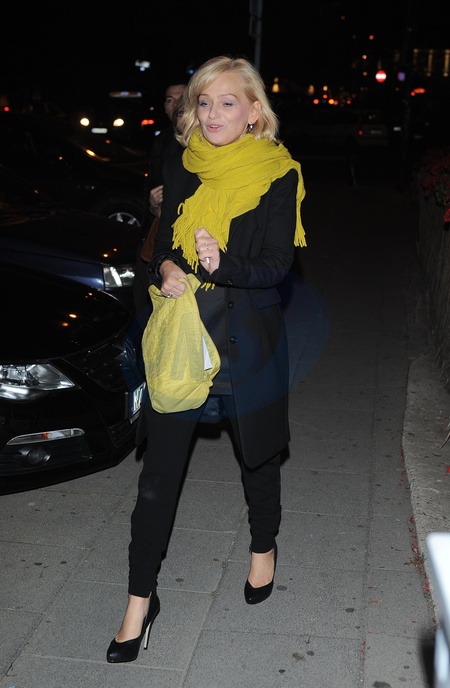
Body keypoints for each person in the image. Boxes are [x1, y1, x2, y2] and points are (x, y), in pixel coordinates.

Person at [107, 54, 307, 664]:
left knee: (258, 458)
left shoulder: (278, 173)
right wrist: (168, 269)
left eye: (228, 102)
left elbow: (277, 265)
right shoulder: (182, 162)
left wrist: (223, 264)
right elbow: (166, 243)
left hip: (246, 340)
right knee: (157, 475)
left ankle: (263, 545)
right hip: (183, 336)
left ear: (254, 112)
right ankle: (139, 602)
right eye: (204, 101)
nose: (213, 113)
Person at [133, 82, 187, 315]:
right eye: (169, 99)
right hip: (158, 235)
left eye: (182, 97)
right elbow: (149, 188)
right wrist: (153, 205)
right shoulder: (162, 140)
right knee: (144, 298)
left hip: (187, 241)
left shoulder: (204, 141)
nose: (176, 104)